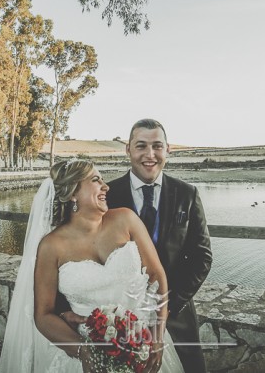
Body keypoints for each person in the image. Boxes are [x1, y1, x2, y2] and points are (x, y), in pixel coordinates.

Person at [0, 159, 185, 373]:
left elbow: (156, 275)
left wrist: (157, 336)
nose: (106, 186)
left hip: (144, 343)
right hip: (87, 353)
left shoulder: (126, 219)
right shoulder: (51, 246)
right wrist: (83, 350)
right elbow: (43, 315)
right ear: (73, 193)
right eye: (96, 180)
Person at [62, 119, 212, 372]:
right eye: (141, 146)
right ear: (128, 150)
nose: (149, 155)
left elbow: (202, 258)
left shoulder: (188, 194)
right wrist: (63, 309)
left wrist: (168, 306)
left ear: (168, 150)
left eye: (157, 146)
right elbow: (73, 251)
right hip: (118, 319)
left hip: (176, 314)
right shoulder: (106, 193)